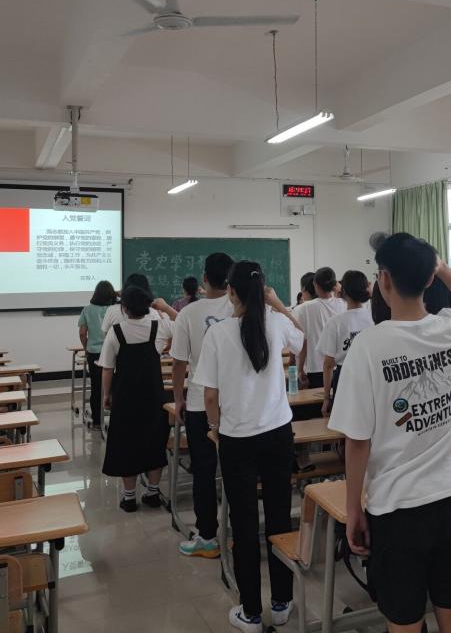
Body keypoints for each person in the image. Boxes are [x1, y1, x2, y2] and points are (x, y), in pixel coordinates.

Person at [329, 234, 451, 633]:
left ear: (383, 280)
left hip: (397, 509)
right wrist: (440, 266)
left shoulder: (368, 346)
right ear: (430, 278)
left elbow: (358, 440)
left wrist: (353, 509)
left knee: (404, 620)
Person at [193, 262, 305, 633]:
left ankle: (251, 612)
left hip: (237, 439)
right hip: (278, 433)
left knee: (242, 523)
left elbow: (210, 396)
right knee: (279, 516)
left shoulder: (218, 333)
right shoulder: (277, 322)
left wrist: (214, 429)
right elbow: (302, 337)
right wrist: (279, 305)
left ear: (231, 292)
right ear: (263, 291)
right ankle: (282, 603)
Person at [171, 253, 234, 559]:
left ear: (205, 278)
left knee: (204, 471)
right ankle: (238, 532)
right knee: (237, 469)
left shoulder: (188, 313)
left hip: (200, 402)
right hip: (237, 402)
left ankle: (208, 536)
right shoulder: (241, 306)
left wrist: (178, 398)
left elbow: (179, 362)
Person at [98, 284, 172, 512]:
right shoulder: (158, 327)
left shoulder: (116, 332)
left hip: (126, 396)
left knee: (126, 443)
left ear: (124, 308)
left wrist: (106, 395)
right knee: (155, 441)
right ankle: (152, 492)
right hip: (153, 395)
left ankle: (129, 497)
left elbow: (107, 369)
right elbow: (177, 331)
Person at [319, 270, 373, 417]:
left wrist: (326, 398)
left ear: (344, 292)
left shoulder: (335, 323)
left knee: (344, 423)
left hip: (344, 378)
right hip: (371, 376)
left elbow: (328, 364)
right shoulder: (374, 318)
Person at [293, 267, 345, 388]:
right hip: (341, 365)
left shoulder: (303, 308)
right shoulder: (343, 304)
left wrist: (300, 369)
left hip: (316, 368)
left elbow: (303, 342)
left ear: (315, 285)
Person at [78, 280, 116, 428]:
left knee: (96, 386)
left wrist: (86, 348)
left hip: (94, 353)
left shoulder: (87, 310)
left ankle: (97, 421)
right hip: (113, 352)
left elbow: (82, 333)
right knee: (114, 385)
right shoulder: (115, 310)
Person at [103, 273, 177, 334]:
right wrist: (166, 308)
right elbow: (179, 326)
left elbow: (105, 334)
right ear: (146, 291)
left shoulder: (112, 311)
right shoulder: (155, 314)